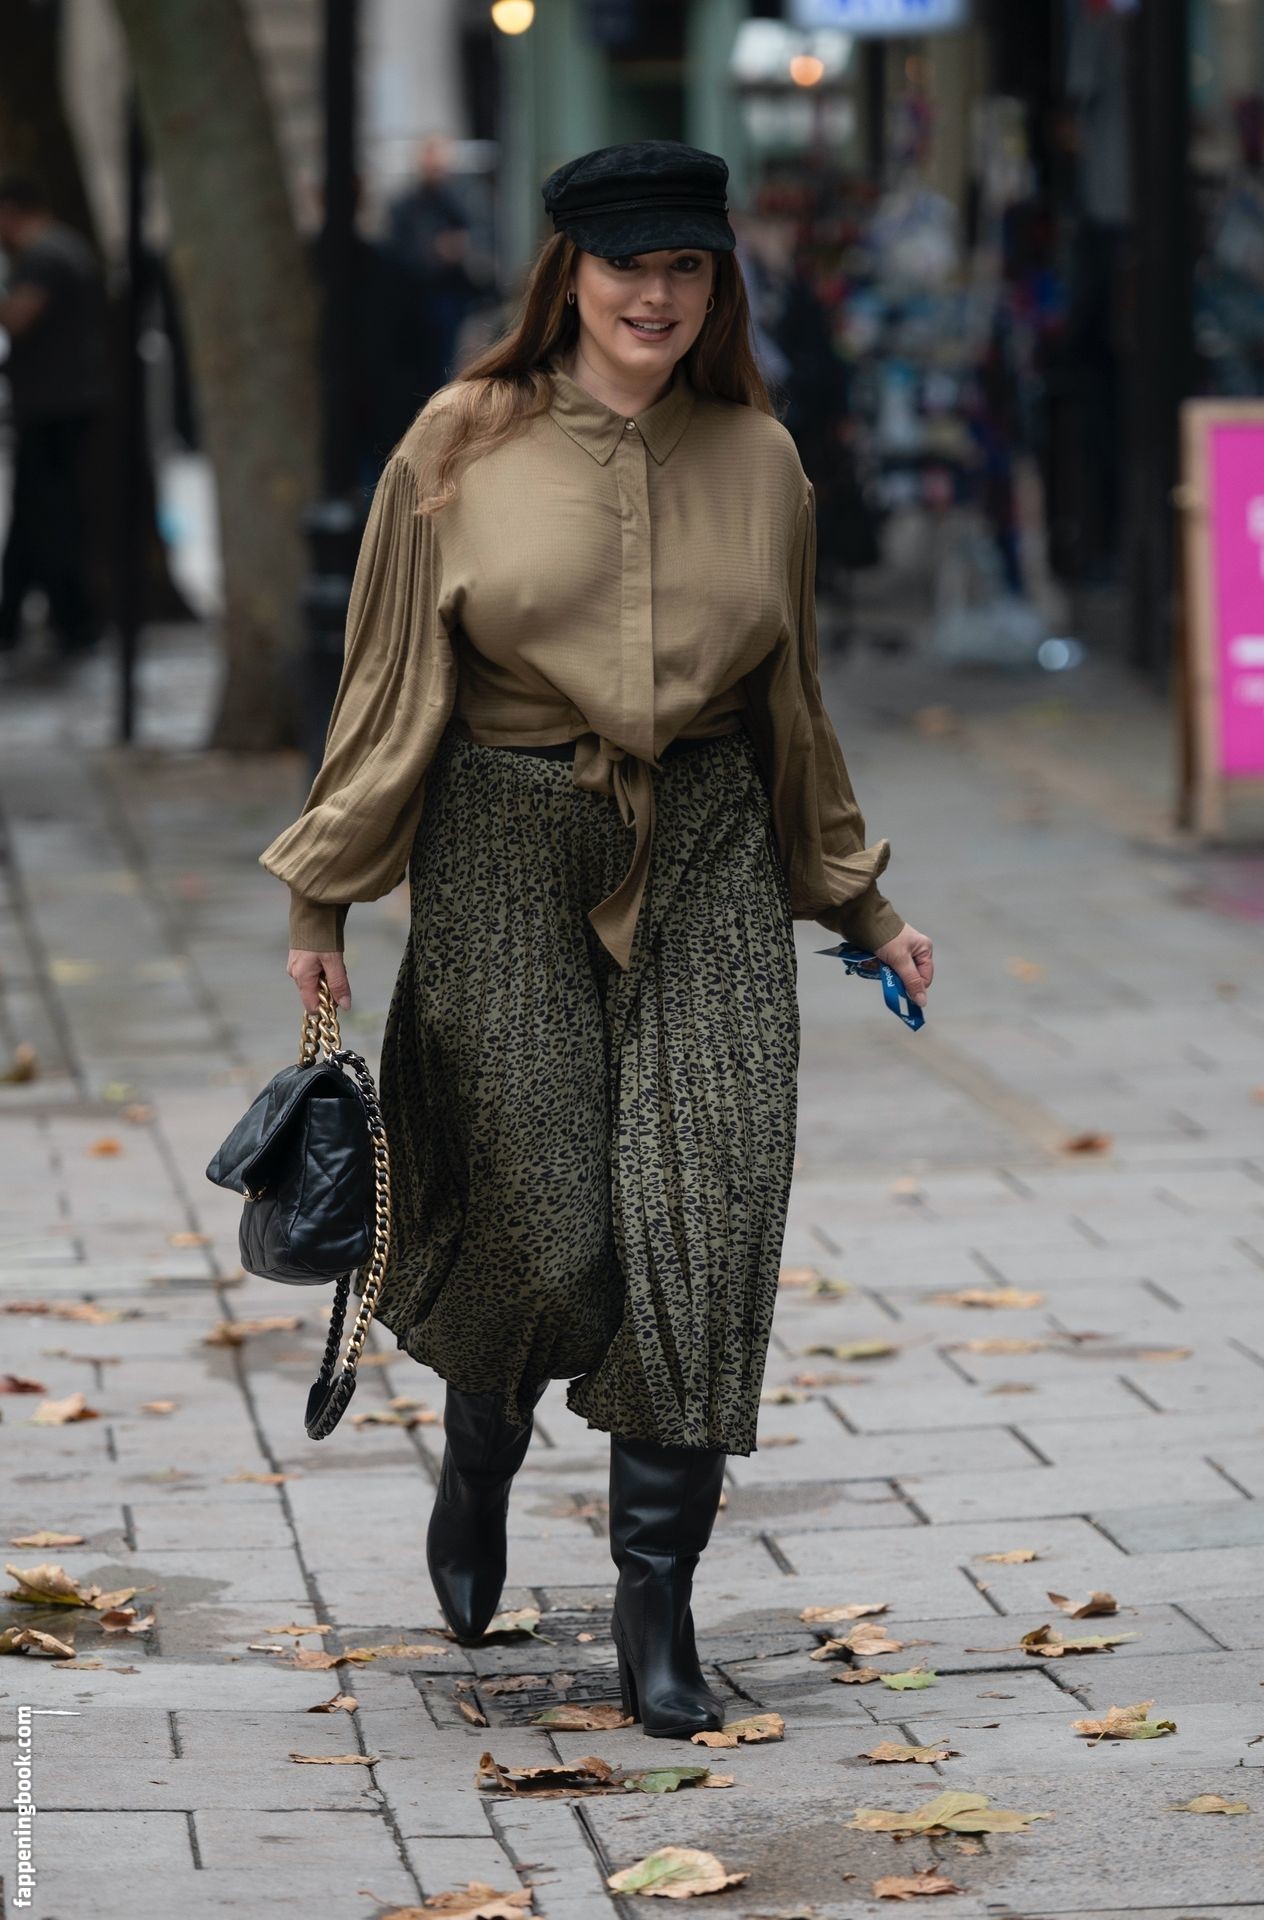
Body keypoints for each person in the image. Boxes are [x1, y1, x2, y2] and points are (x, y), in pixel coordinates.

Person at [258, 141, 934, 1740]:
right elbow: (384, 684)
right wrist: (322, 897)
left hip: (705, 844)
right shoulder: (459, 440)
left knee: (709, 1206)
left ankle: (656, 1604)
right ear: (566, 274)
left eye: (688, 266)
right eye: (629, 264)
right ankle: (481, 1444)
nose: (657, 294)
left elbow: (792, 706)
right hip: (500, 843)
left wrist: (863, 904)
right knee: (541, 1224)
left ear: (718, 284)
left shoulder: (762, 458)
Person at [0, 175, 109, 659]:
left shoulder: (46, 256)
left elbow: (19, 318)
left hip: (54, 406)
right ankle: (24, 618)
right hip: (59, 402)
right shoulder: (64, 248)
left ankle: (73, 619)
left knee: (48, 514)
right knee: (36, 514)